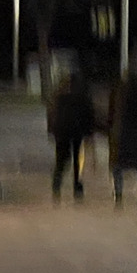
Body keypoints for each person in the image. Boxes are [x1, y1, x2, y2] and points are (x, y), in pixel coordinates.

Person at [109, 47, 137, 206]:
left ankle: (119, 198)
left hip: (123, 133)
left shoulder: (121, 86)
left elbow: (112, 112)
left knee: (118, 165)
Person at [48, 69, 94, 201]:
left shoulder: (59, 97)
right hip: (76, 132)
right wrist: (89, 133)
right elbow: (88, 115)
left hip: (62, 132)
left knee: (61, 159)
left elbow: (53, 115)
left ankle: (57, 184)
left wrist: (52, 130)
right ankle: (77, 186)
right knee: (77, 160)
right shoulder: (82, 97)